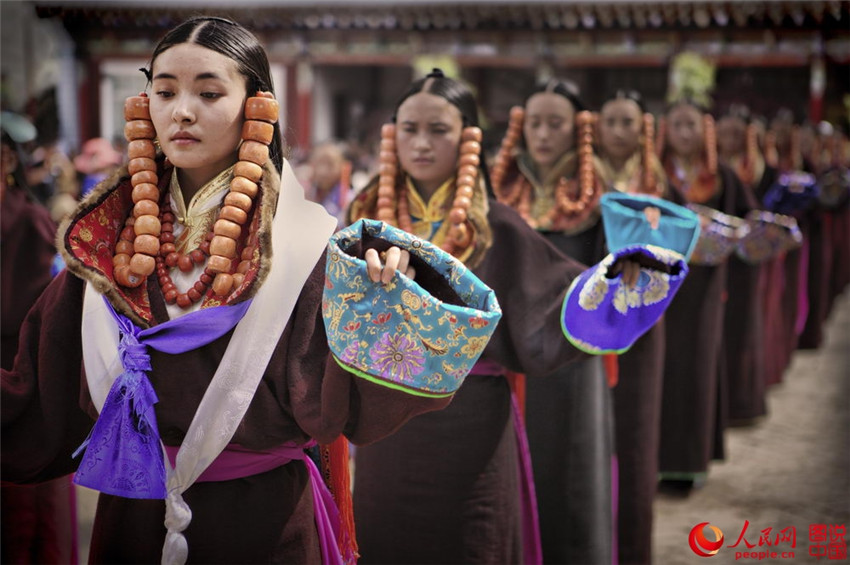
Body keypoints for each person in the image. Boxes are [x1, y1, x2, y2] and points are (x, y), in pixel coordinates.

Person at [1, 18, 499, 565]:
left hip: (266, 523)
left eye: (209, 93)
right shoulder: (103, 246)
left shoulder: (308, 245)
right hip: (133, 518)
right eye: (164, 91)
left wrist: (387, 297)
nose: (180, 111)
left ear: (256, 106)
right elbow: (33, 395)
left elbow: (355, 408)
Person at [349, 70, 688, 564]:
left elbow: (554, 296)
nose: (420, 143)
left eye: (438, 130)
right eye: (408, 128)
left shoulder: (497, 225)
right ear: (390, 135)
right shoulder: (363, 223)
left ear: (468, 138)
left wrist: (615, 274)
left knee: (472, 540)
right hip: (385, 425)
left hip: (472, 421)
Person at [489, 79, 615, 565]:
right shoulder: (502, 189)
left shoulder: (599, 196)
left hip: (570, 350)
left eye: (555, 124)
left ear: (578, 130)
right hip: (506, 348)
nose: (542, 134)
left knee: (570, 462)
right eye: (534, 123)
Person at [656, 96, 758, 491]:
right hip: (660, 286)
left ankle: (688, 461)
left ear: (705, 131)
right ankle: (656, 458)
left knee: (695, 368)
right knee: (660, 371)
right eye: (676, 125)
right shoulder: (654, 174)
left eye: (691, 125)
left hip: (703, 290)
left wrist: (721, 234)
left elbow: (746, 226)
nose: (684, 133)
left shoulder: (723, 177)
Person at [594, 89, 669, 565]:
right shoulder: (579, 184)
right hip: (589, 319)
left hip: (642, 325)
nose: (618, 131)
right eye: (610, 121)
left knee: (635, 434)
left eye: (628, 122)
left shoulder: (660, 185)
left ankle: (632, 547)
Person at [1, 113, 77, 564]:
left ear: (7, 158)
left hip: (18, 388)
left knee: (26, 527)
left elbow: (46, 323)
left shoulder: (29, 222)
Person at [304, 141, 352, 228]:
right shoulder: (304, 193)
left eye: (330, 164)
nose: (323, 171)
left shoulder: (350, 199)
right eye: (320, 163)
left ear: (342, 167)